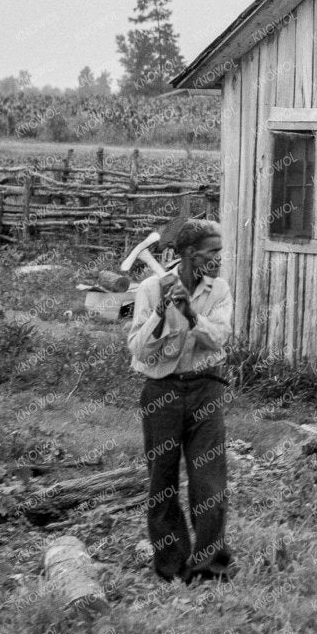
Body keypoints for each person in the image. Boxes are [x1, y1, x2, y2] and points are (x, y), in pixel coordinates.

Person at [127, 217, 235, 583]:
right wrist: (161, 313)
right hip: (162, 393)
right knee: (163, 482)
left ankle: (210, 567)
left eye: (220, 251)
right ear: (190, 252)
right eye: (213, 251)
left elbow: (218, 338)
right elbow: (138, 349)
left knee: (210, 483)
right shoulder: (150, 289)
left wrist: (190, 313)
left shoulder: (218, 290)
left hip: (206, 389)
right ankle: (172, 567)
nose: (219, 258)